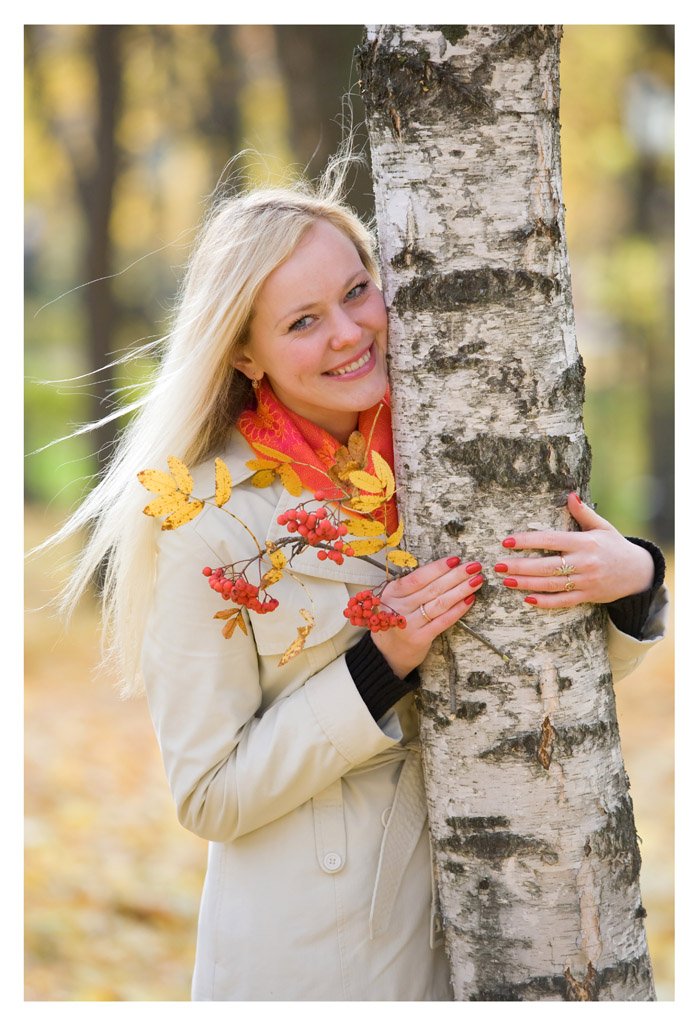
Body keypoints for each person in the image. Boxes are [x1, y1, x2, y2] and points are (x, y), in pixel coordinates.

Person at [53, 164, 668, 1001]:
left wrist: (633, 576)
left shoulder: (458, 440)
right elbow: (208, 793)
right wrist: (377, 664)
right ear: (244, 352)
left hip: (497, 920)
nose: (348, 333)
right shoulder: (207, 521)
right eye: (302, 321)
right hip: (320, 959)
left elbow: (528, 664)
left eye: (355, 291)